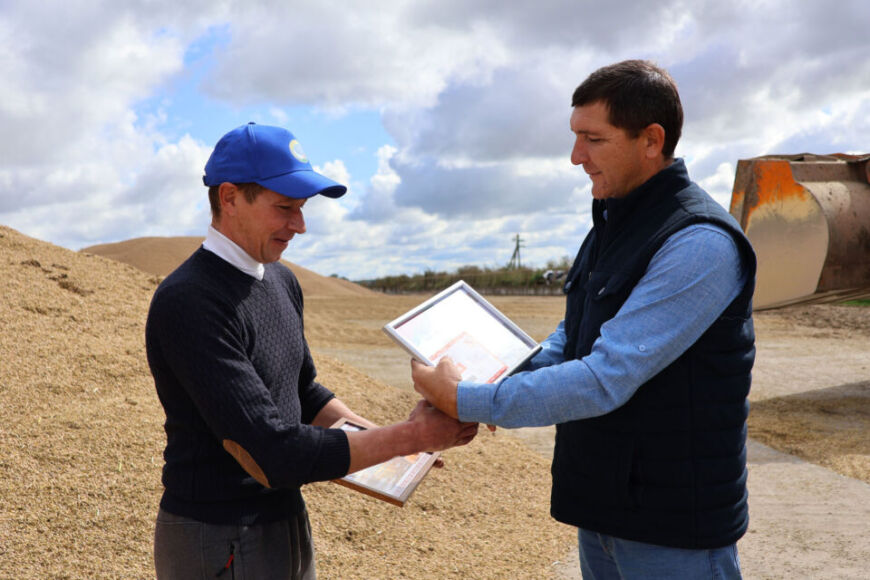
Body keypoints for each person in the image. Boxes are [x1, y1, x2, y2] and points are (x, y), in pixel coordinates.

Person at [411, 60, 756, 579]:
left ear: (651, 140)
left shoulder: (698, 242)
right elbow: (573, 338)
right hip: (605, 509)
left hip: (673, 530)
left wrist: (467, 399)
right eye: (576, 137)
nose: (576, 157)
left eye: (593, 139)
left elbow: (605, 376)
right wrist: (492, 373)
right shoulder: (614, 222)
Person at [145, 122, 478, 579]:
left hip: (284, 520)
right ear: (229, 197)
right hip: (216, 534)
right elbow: (271, 454)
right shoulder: (190, 300)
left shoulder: (280, 279)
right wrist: (411, 436)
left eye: (301, 209)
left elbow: (304, 394)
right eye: (284, 208)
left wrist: (399, 449)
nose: (299, 226)